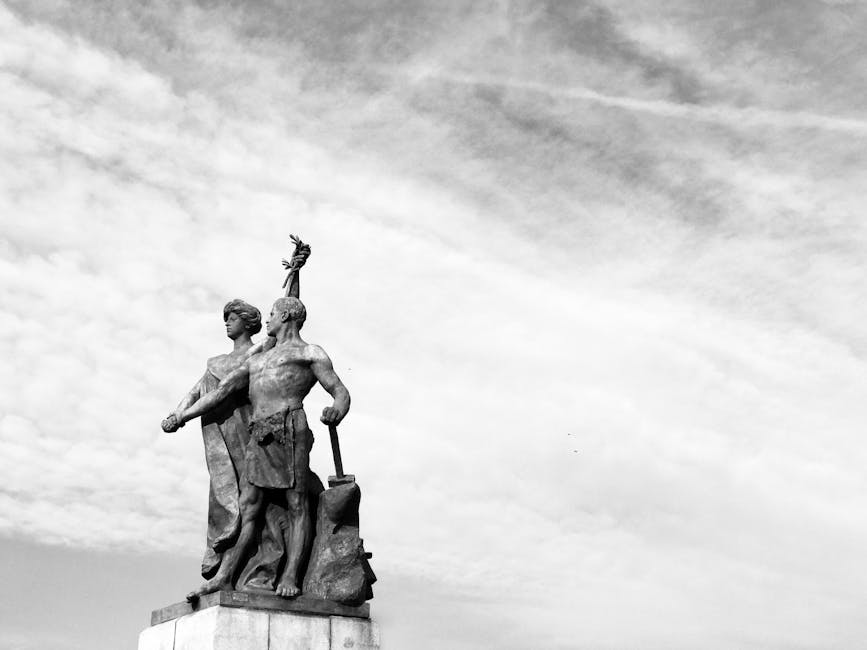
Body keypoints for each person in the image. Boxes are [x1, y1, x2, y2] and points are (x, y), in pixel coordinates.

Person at [163, 296, 350, 600]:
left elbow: (340, 392)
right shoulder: (258, 359)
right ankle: (224, 577)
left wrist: (336, 410)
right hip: (258, 432)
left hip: (289, 427)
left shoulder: (309, 353)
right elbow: (222, 392)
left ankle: (290, 575)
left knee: (297, 504)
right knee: (249, 507)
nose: (268, 320)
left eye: (273, 314)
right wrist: (182, 416)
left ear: (287, 316)